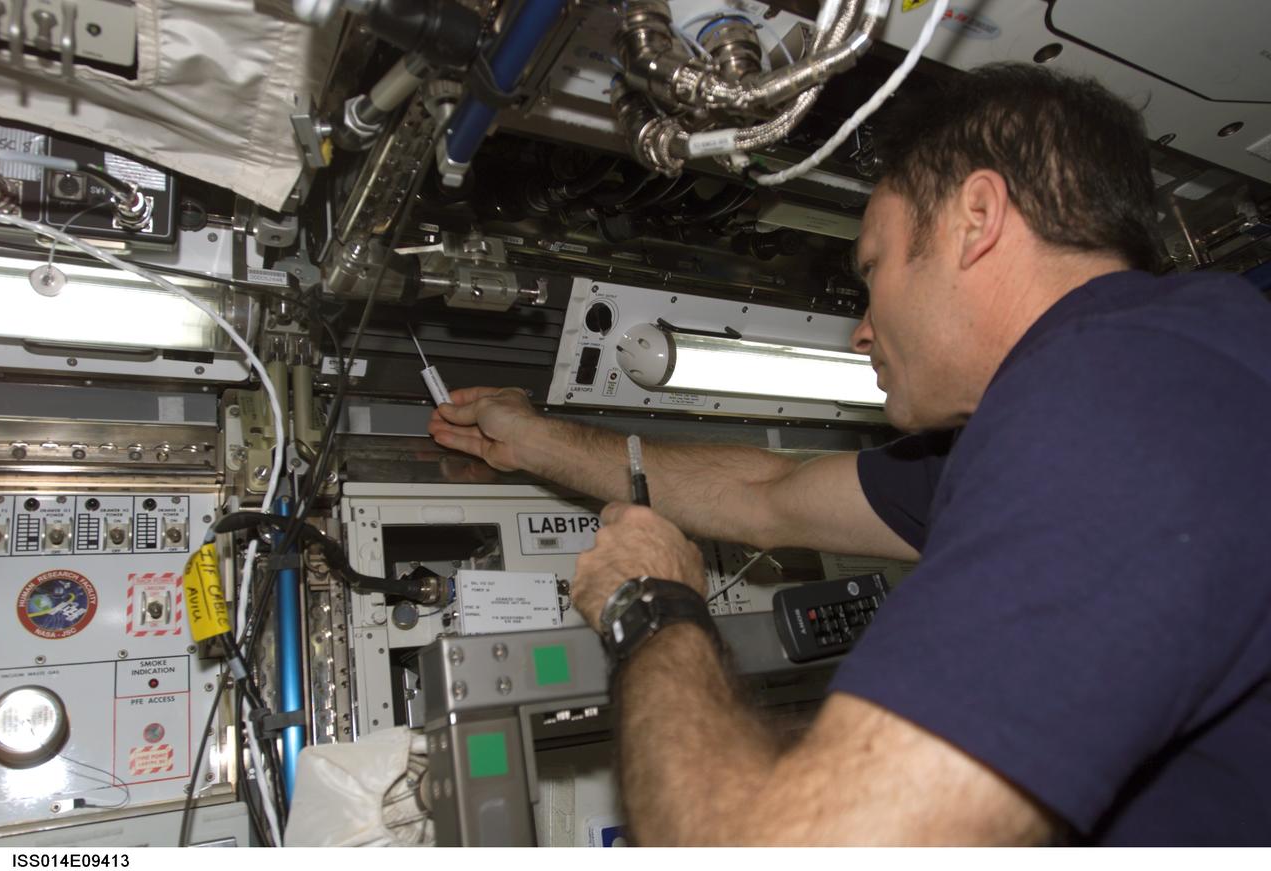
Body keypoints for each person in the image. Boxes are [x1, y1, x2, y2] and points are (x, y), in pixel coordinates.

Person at [428, 63, 1271, 845]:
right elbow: (772, 492)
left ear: (976, 220)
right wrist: (539, 440)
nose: (862, 327)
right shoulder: (1160, 379)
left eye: (872, 268)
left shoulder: (1113, 409)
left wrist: (651, 609)